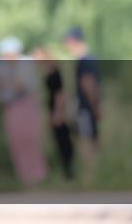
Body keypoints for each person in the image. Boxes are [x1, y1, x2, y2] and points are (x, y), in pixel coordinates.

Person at [0, 37, 47, 187]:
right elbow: (0, 87)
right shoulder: (3, 66)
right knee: (16, 141)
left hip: (26, 105)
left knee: (31, 139)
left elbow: (19, 86)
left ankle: (37, 176)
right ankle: (25, 177)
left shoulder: (25, 64)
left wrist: (4, 82)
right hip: (11, 107)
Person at [63, 27, 101, 184]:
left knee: (86, 140)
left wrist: (94, 105)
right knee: (92, 138)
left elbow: (88, 84)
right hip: (87, 107)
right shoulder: (87, 59)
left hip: (85, 108)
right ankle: (95, 175)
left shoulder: (84, 60)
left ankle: (90, 177)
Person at [33, 47, 74, 180]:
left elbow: (60, 94)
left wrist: (57, 112)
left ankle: (69, 171)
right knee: (59, 141)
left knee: (63, 140)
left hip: (58, 111)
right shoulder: (47, 72)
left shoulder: (55, 72)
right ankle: (65, 171)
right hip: (53, 110)